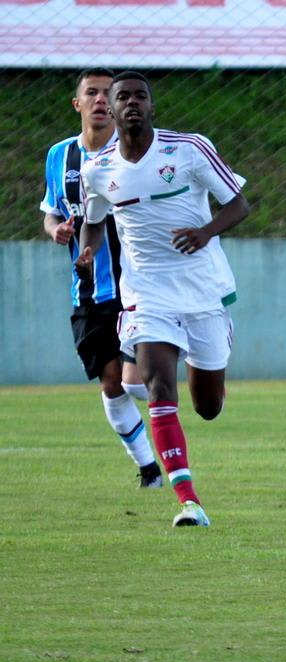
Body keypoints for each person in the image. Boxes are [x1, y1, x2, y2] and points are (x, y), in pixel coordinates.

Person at [76, 71, 250, 527]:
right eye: (122, 98)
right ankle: (188, 501)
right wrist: (87, 249)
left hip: (202, 289)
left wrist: (205, 231)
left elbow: (238, 203)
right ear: (111, 112)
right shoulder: (98, 169)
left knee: (207, 407)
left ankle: (210, 375)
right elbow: (93, 219)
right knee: (158, 388)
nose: (132, 103)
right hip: (146, 294)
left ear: (152, 107)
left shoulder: (189, 148)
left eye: (140, 96)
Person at [40, 68, 161, 488]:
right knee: (111, 382)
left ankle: (194, 387)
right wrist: (55, 229)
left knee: (139, 383)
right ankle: (149, 469)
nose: (99, 100)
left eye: (106, 94)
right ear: (78, 104)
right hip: (89, 289)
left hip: (139, 285)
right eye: (90, 93)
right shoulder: (60, 156)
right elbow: (51, 211)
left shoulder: (134, 153)